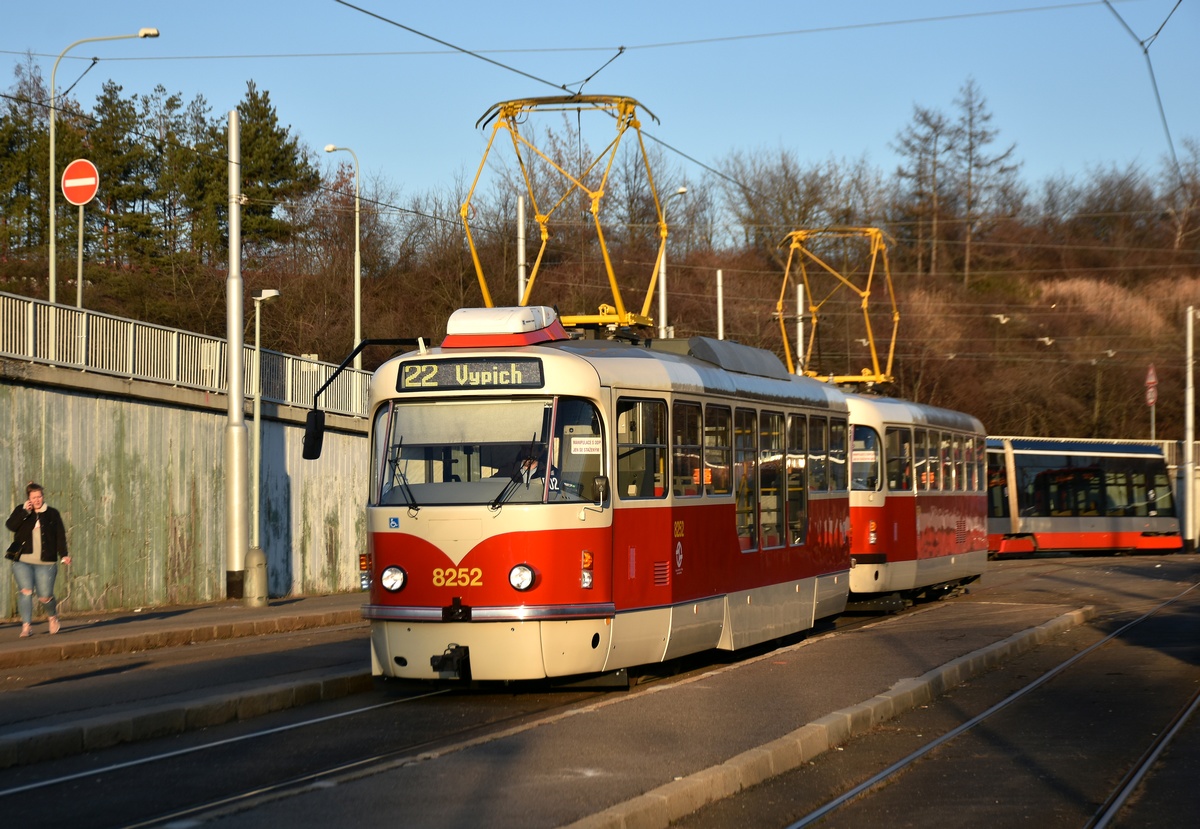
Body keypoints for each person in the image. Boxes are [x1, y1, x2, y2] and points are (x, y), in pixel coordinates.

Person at [6, 482, 70, 638]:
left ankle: (53, 616)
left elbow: (60, 535)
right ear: (28, 498)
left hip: (45, 562)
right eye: (33, 497)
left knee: (45, 596)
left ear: (43, 496)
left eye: (39, 496)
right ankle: (26, 626)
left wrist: (64, 555)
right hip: (22, 560)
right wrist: (24, 513)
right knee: (25, 591)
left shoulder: (52, 513)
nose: (37, 500)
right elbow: (11, 526)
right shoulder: (22, 511)